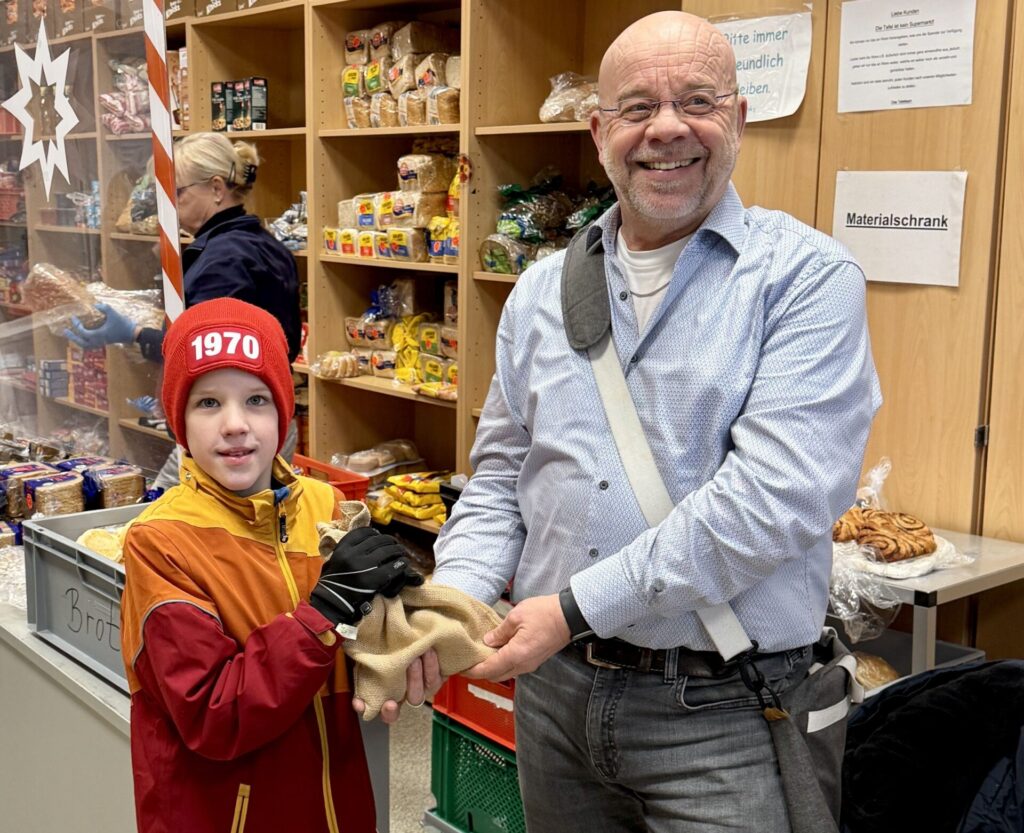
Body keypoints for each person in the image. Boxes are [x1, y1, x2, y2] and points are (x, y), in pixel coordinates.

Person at [429, 11, 883, 832]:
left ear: (738, 119)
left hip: (726, 713)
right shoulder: (538, 293)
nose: (666, 128)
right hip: (554, 698)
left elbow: (769, 502)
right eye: (637, 107)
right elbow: (501, 478)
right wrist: (450, 600)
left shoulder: (808, 279)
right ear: (599, 132)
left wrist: (573, 607)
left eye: (697, 101)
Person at [119, 298, 423, 833]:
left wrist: (393, 625)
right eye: (208, 403)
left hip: (335, 804)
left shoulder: (325, 506)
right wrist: (322, 612)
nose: (236, 425)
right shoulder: (161, 542)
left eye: (256, 400)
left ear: (283, 412)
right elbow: (213, 715)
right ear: (179, 421)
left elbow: (357, 652)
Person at [65, 133, 303, 482]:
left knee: (168, 505)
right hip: (263, 413)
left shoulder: (223, 259)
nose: (170, 206)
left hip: (232, 424)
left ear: (216, 188)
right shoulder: (258, 243)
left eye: (177, 193)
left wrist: (135, 334)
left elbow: (205, 352)